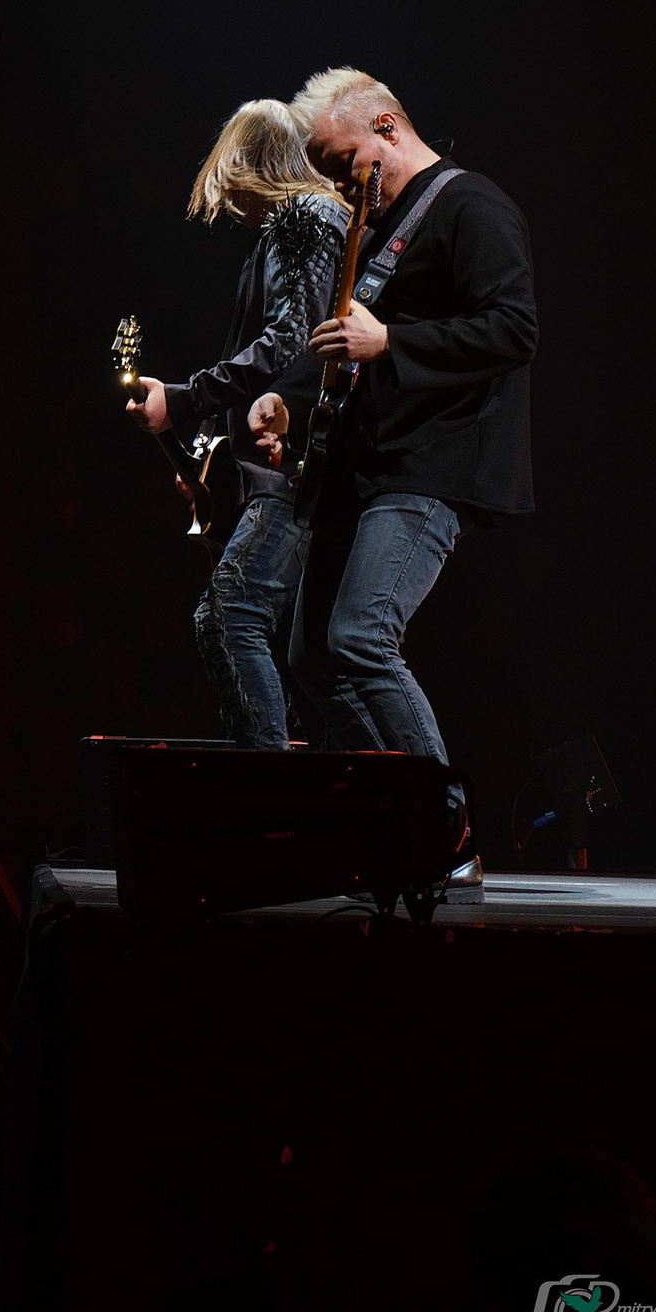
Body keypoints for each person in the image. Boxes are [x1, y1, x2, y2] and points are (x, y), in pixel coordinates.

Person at [250, 67, 537, 863]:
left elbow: (515, 330)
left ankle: (449, 832)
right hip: (370, 467)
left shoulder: (470, 205)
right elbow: (348, 342)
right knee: (311, 658)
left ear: (384, 127)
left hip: (434, 469)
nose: (339, 183)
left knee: (361, 637)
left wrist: (393, 344)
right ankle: (389, 823)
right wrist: (285, 401)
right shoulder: (376, 232)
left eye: (342, 162)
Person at [128, 97, 348, 747]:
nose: (234, 209)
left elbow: (285, 345)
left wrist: (184, 398)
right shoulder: (310, 224)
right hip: (302, 465)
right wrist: (207, 472)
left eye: (235, 187)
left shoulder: (298, 220)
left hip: (295, 468)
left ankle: (270, 808)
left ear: (253, 165)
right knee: (314, 662)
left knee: (229, 618)